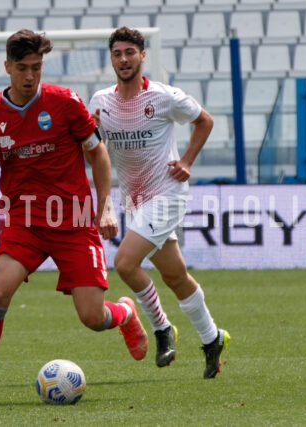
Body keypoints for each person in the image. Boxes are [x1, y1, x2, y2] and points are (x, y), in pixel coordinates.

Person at [0, 29, 149, 406]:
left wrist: (106, 207)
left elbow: (98, 155)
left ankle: (125, 313)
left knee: (91, 317)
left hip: (75, 221)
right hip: (25, 221)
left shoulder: (65, 102)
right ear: (7, 68)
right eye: (22, 68)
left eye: (36, 67)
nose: (30, 76)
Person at [88, 27, 230, 379]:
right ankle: (213, 338)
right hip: (134, 198)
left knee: (123, 263)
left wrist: (186, 161)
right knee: (175, 275)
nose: (123, 59)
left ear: (142, 56)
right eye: (117, 53)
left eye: (130, 52)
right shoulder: (101, 103)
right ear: (112, 58)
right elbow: (96, 153)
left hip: (166, 193)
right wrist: (104, 204)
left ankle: (162, 328)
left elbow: (204, 120)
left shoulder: (165, 97)